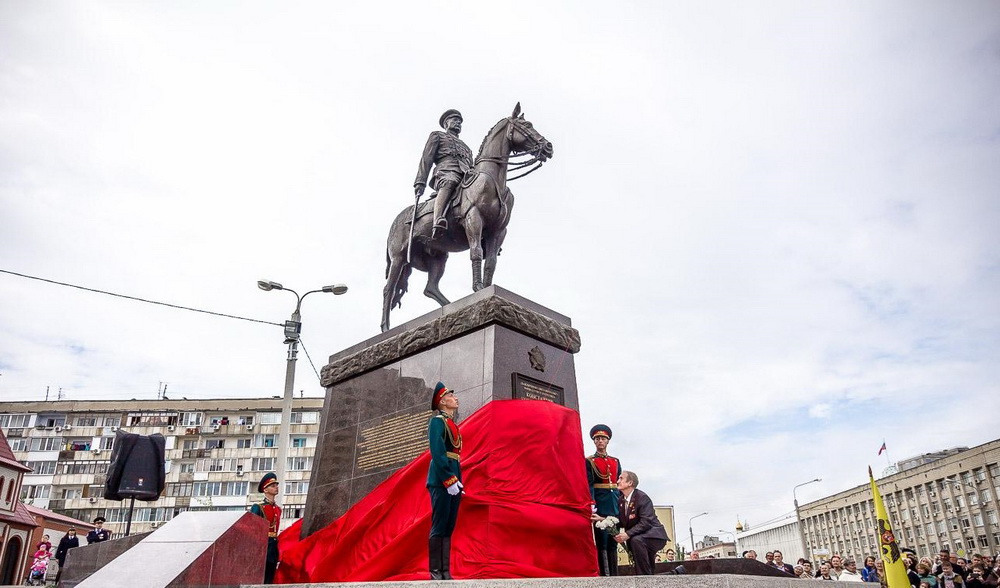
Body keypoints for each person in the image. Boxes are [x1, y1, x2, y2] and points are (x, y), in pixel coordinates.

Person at [414, 110, 475, 238]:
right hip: (445, 172)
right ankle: (438, 219)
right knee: (450, 181)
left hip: (466, 175)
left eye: (460, 122)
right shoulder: (438, 136)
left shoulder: (467, 148)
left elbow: (471, 165)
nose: (458, 123)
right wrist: (420, 181)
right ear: (446, 123)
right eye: (454, 120)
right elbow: (427, 158)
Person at [427, 381, 462, 580]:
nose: (455, 398)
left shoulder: (452, 424)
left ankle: (445, 572)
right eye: (451, 395)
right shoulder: (437, 422)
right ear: (442, 401)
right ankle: (435, 572)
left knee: (449, 525)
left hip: (454, 475)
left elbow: (455, 455)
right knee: (439, 524)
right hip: (441, 477)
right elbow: (438, 452)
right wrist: (449, 479)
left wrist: (457, 480)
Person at [611, 470, 668, 575]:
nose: (618, 481)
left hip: (654, 536)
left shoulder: (642, 497)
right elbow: (620, 521)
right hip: (639, 537)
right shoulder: (621, 501)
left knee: (636, 541)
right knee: (648, 566)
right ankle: (673, 573)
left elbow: (646, 522)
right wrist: (602, 520)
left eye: (621, 478)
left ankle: (643, 580)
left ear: (630, 483)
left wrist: (627, 534)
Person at [586, 423, 622, 577]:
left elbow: (619, 483)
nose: (600, 441)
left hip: (615, 505)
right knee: (602, 543)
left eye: (603, 439)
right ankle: (605, 576)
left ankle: (615, 574)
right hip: (600, 505)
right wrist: (592, 503)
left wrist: (622, 503)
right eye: (597, 439)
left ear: (608, 441)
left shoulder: (615, 461)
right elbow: (589, 484)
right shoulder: (590, 461)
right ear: (594, 441)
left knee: (614, 541)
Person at [250, 472, 282, 584]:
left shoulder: (278, 509)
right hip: (262, 548)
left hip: (273, 548)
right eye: (273, 486)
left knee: (270, 578)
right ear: (265, 489)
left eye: (276, 485)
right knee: (260, 579)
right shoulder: (258, 507)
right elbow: (252, 530)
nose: (276, 487)